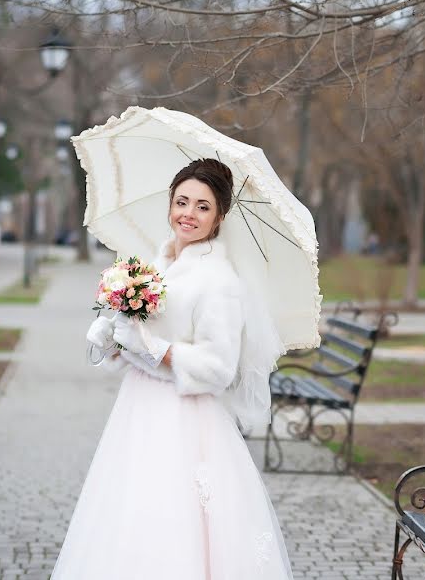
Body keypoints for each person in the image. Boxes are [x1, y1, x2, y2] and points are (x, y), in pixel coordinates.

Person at [52, 159, 293, 579]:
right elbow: (139, 338)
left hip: (185, 418)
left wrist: (152, 346)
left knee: (175, 519)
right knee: (129, 515)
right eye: (182, 202)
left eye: (203, 206)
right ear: (169, 205)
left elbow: (219, 368)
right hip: (138, 409)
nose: (189, 214)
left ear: (219, 217)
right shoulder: (157, 265)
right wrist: (114, 337)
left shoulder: (219, 280)